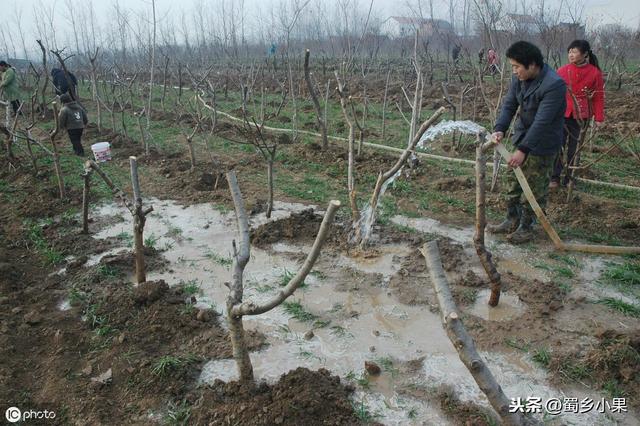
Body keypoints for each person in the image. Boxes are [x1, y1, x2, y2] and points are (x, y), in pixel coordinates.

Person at [488, 41, 566, 244]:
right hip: (523, 137)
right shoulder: (520, 79)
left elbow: (542, 122)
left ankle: (527, 227)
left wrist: (523, 150)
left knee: (534, 186)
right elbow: (509, 105)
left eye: (516, 66)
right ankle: (511, 219)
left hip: (542, 143)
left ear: (532, 64)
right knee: (513, 182)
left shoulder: (554, 84)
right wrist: (500, 129)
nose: (514, 71)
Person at [550, 40, 605, 188]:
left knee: (575, 148)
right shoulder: (562, 71)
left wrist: (599, 118)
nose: (571, 55)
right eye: (569, 52)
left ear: (585, 54)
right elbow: (552, 93)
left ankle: (570, 179)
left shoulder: (595, 73)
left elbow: (599, 97)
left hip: (582, 116)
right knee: (558, 145)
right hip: (562, 114)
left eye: (574, 52)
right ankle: (554, 178)